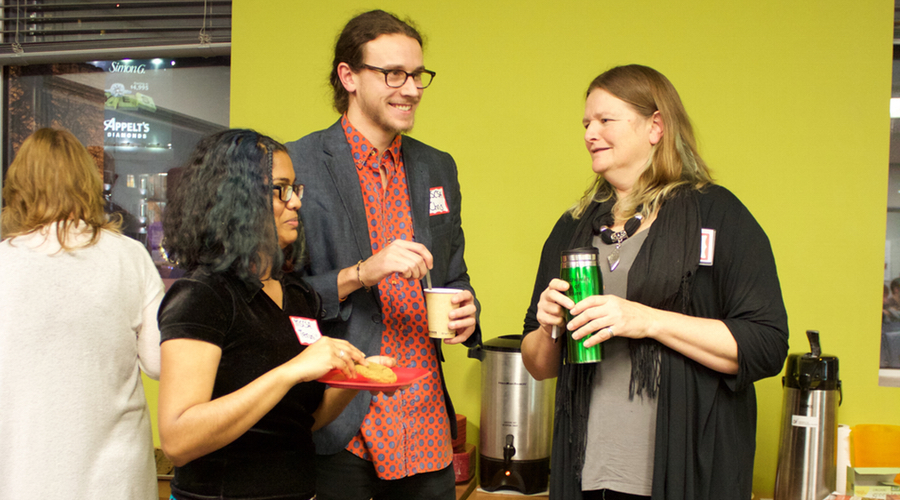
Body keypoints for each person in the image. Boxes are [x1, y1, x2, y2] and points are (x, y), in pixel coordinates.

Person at [520, 65, 789, 500]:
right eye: (586, 123)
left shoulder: (718, 216)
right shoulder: (572, 229)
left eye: (606, 120)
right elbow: (539, 366)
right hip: (588, 474)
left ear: (655, 127)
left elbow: (766, 344)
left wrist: (645, 320)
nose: (590, 133)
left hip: (687, 474)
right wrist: (548, 327)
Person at [285, 10, 481, 500]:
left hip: (424, 420)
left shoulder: (437, 166)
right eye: (393, 74)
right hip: (339, 420)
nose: (411, 88)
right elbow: (278, 298)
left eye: (417, 75)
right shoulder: (298, 163)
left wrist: (465, 309)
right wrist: (360, 273)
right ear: (348, 76)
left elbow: (453, 272)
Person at [157, 129, 381, 500]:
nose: (295, 202)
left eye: (296, 189)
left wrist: (352, 381)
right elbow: (178, 440)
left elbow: (300, 422)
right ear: (235, 199)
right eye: (281, 189)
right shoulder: (203, 295)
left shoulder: (297, 295)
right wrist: (290, 372)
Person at [0, 128, 164, 499]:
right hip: (115, 479)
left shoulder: (2, 262)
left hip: (20, 474)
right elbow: (158, 363)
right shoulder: (129, 256)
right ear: (88, 182)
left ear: (20, 185)